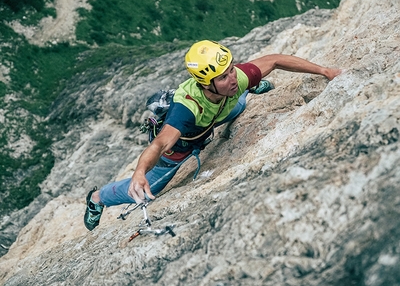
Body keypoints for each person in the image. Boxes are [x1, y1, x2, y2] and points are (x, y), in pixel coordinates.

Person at [84, 40, 342, 231]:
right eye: (224, 76)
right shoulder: (186, 109)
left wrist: (325, 71)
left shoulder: (233, 80)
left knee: (238, 102)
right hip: (183, 144)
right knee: (153, 187)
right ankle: (97, 199)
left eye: (232, 70)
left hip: (218, 114)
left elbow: (275, 60)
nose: (232, 78)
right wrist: (139, 173)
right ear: (206, 83)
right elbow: (161, 143)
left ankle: (250, 90)